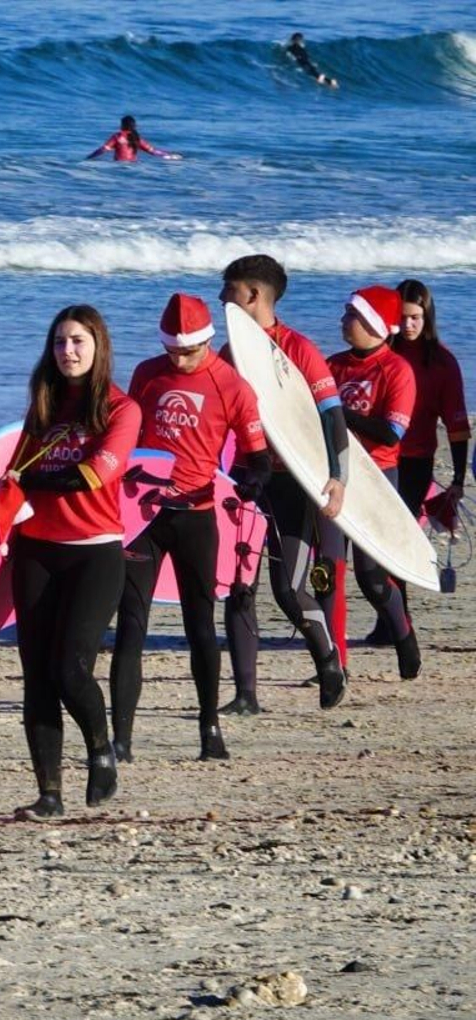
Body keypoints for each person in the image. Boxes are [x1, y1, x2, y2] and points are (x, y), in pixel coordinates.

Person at [111, 294, 270, 763]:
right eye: (172, 351)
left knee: (199, 625)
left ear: (207, 341)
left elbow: (256, 455)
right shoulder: (147, 374)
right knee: (131, 625)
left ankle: (209, 729)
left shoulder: (232, 387)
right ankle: (121, 739)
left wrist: (253, 480)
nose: (178, 360)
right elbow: (125, 434)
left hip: (198, 517)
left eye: (188, 352)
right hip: (144, 516)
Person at [0, 305, 138, 819]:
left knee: (70, 668)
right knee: (36, 675)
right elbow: (13, 475)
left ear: (98, 345)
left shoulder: (121, 409)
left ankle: (101, 748)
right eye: (59, 342)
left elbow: (90, 476)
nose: (68, 351)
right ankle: (48, 794)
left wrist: (26, 484)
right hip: (35, 551)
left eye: (78, 341)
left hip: (94, 554)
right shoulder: (44, 406)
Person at [218, 254, 350, 715]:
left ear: (253, 295)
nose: (221, 298)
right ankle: (245, 694)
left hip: (293, 480)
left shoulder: (298, 348)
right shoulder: (228, 351)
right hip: (244, 478)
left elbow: (333, 416)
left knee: (289, 589)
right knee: (238, 585)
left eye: (229, 289)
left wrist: (338, 479)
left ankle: (329, 660)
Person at [317, 286, 420, 679]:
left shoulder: (397, 371)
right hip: (332, 477)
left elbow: (391, 434)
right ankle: (333, 662)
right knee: (327, 571)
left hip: (377, 479)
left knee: (372, 578)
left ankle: (403, 634)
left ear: (374, 323)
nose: (344, 320)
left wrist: (339, 415)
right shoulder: (333, 364)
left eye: (352, 315)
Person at [365, 279, 469, 643]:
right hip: (374, 460)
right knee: (372, 542)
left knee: (394, 539)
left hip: (414, 462)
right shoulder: (379, 356)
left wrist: (457, 478)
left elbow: (457, 426)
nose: (408, 325)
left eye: (416, 318)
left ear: (428, 318)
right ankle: (392, 619)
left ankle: (396, 622)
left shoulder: (441, 364)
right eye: (403, 317)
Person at [86, 116, 181, 163]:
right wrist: (168, 155)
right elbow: (153, 151)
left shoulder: (117, 136)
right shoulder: (137, 138)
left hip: (118, 167)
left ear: (123, 125)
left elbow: (103, 150)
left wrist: (89, 157)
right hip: (134, 167)